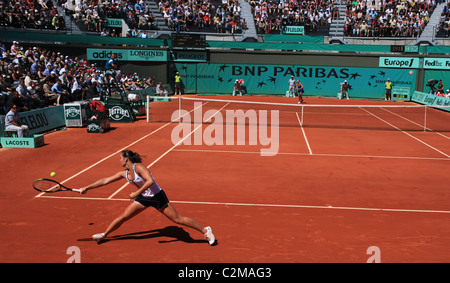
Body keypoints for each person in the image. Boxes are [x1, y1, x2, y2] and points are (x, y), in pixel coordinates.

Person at [79, 150, 216, 245]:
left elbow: (150, 181)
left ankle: (206, 231)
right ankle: (105, 234)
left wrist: (136, 193)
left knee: (178, 219)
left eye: (120, 158)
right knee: (123, 217)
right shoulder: (124, 173)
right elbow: (105, 180)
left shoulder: (139, 167)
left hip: (157, 197)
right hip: (143, 198)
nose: (119, 160)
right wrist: (86, 187)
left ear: (126, 159)